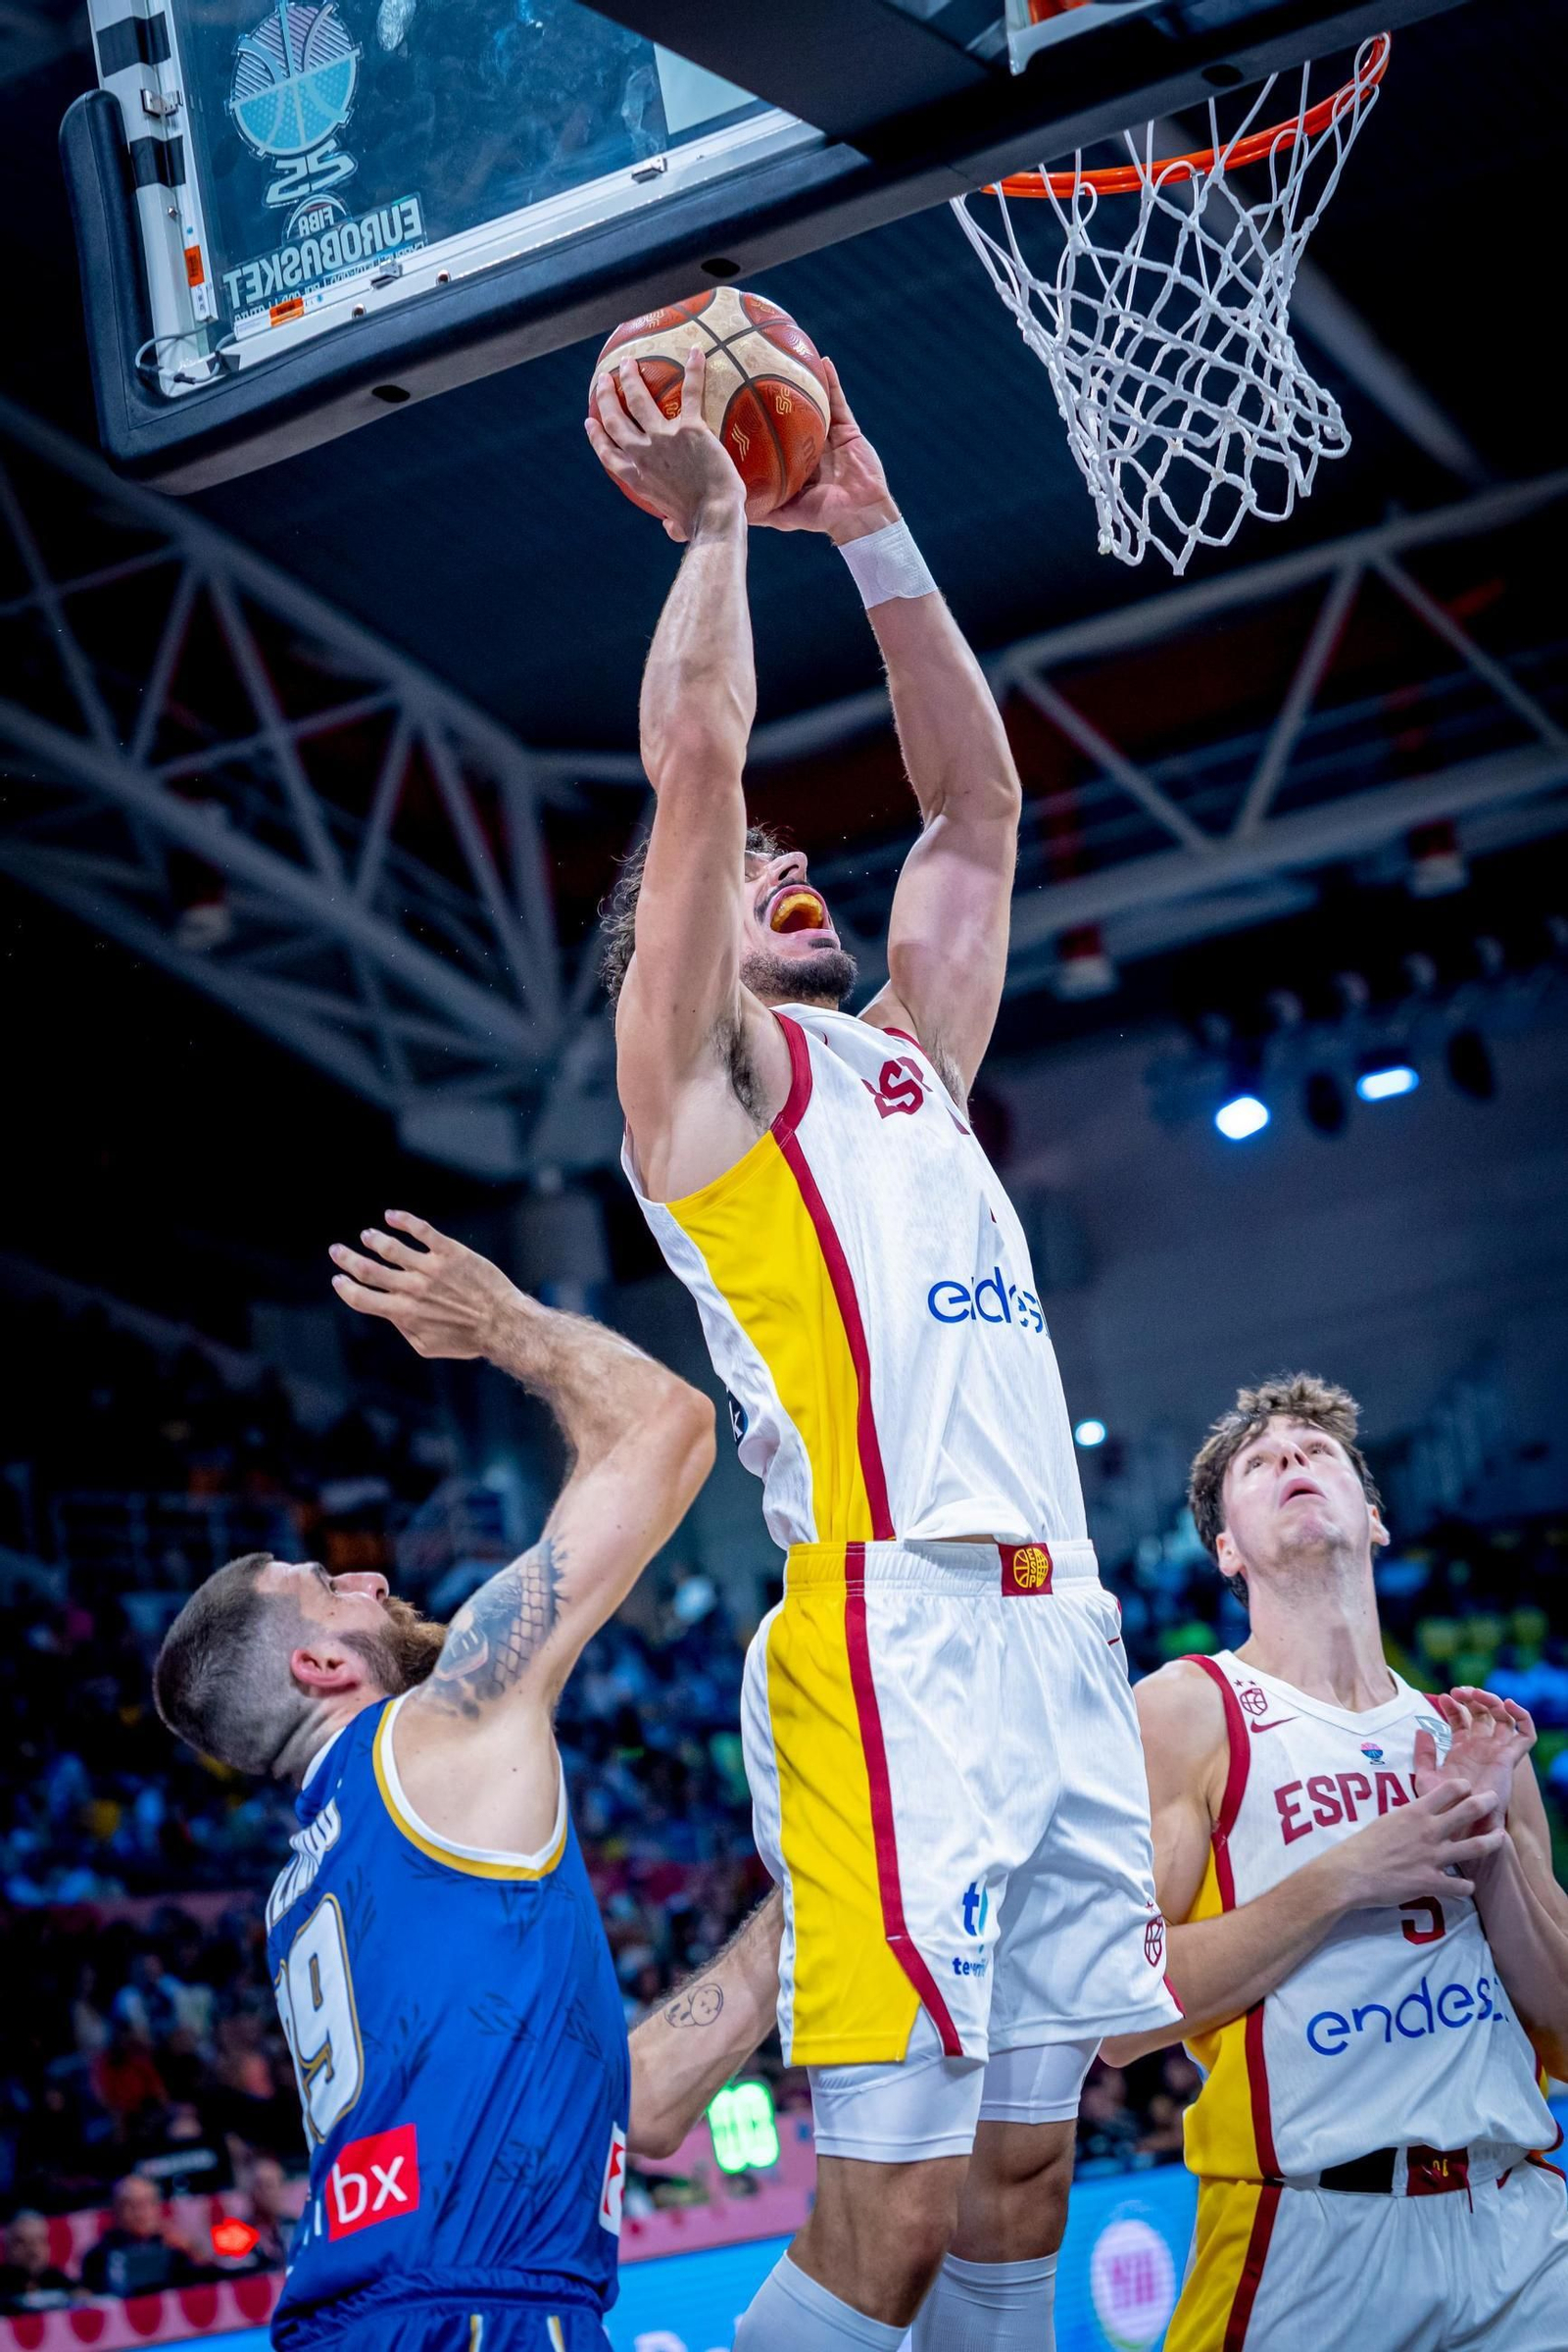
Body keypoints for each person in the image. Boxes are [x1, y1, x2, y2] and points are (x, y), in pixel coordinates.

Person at [587, 348, 1178, 2351]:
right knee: (901, 2205)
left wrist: (867, 524)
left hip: (1053, 1631)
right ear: (670, 954)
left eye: (788, 860)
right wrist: (720, 525)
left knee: (1029, 2172)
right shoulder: (696, 1099)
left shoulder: (905, 1063)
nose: (789, 865)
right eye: (756, 880)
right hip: (888, 1633)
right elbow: (690, 764)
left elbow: (976, 809)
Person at [152, 1215, 780, 2349]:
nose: (374, 1574)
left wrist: (816, 1891)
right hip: (475, 2317)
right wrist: (501, 1323)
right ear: (321, 1666)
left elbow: (635, 2101)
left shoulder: (314, 1884)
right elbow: (670, 1427)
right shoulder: (435, 1732)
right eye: (330, 1584)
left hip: (383, 2316)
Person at [1106, 1373, 1568, 2350]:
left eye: (1316, 1452)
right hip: (1309, 2232)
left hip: (1519, 2220)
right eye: (1257, 1460)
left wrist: (1488, 1862)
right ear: (1224, 1548)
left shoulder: (1472, 1737)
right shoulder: (1188, 1711)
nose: (1290, 1459)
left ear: (1376, 1516)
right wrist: (1350, 1873)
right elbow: (1113, 2013)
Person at [79, 2172, 206, 2298]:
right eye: (130, 2206)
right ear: (115, 2211)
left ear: (158, 2207)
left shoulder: (176, 2250)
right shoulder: (97, 2258)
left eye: (146, 2204)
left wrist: (193, 2252)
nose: (140, 2214)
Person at [0, 2209, 81, 2314]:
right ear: (6, 2247)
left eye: (40, 2241)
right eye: (21, 2242)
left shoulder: (56, 2278)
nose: (33, 2250)